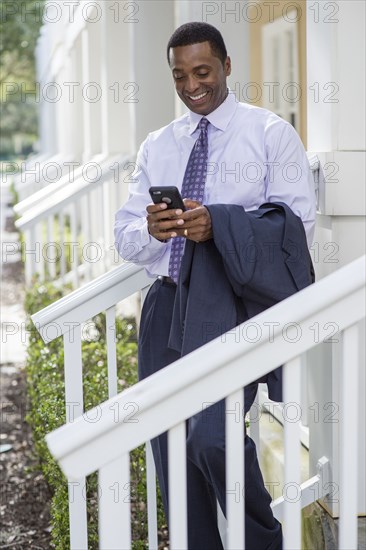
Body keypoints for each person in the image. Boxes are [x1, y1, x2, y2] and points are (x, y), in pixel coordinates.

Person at [115, 22, 316, 550]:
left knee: (212, 436)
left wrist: (220, 226)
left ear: (227, 66)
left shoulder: (270, 134)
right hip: (166, 302)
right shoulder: (158, 145)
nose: (191, 85)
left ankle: (261, 541)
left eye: (202, 71)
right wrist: (153, 231)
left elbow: (296, 228)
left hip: (232, 306)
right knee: (169, 445)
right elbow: (125, 235)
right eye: (179, 75)